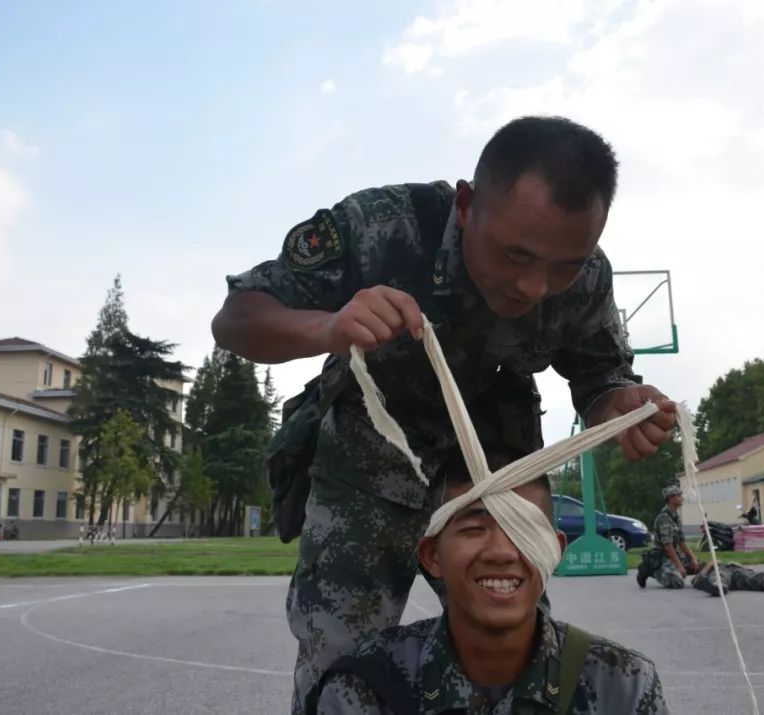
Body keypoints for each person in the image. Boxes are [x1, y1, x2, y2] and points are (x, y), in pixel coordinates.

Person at [211, 115, 677, 712]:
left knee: (515, 653)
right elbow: (237, 318)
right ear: (466, 204)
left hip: (494, 488)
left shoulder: (586, 276)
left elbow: (601, 377)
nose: (534, 286)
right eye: (516, 255)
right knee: (339, 661)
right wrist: (327, 326)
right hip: (368, 475)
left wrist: (622, 406)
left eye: (564, 265)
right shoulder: (382, 229)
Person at [307, 451, 669, 714]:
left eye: (523, 529)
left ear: (555, 551)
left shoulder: (622, 687)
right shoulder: (367, 688)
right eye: (474, 528)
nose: (501, 552)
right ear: (433, 555)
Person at [636, 485, 700, 589]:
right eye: (678, 495)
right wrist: (679, 566)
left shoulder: (675, 516)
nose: (681, 498)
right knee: (677, 583)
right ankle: (649, 570)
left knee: (700, 567)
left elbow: (681, 541)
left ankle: (679, 570)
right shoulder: (664, 518)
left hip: (674, 555)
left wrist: (693, 558)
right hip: (662, 557)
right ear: (671, 498)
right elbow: (668, 546)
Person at [690, 560, 764, 597]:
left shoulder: (727, 563)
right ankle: (717, 588)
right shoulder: (706, 572)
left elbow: (749, 570)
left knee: (763, 577)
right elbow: (696, 581)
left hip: (739, 572)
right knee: (720, 576)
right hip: (723, 573)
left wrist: (738, 565)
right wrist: (709, 565)